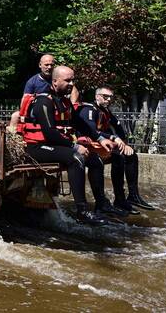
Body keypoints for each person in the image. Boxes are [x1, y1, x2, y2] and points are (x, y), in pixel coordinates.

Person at [20, 66, 125, 225]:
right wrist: (74, 145)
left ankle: (101, 204)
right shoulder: (43, 101)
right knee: (76, 158)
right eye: (67, 80)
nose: (71, 84)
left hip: (56, 146)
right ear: (55, 81)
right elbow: (49, 133)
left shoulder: (64, 101)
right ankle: (82, 211)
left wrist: (102, 138)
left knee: (95, 160)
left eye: (73, 80)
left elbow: (81, 125)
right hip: (37, 148)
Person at [74, 86, 155, 214]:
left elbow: (118, 127)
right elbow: (91, 130)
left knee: (130, 155)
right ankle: (101, 203)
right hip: (89, 147)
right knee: (110, 159)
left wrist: (123, 143)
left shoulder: (105, 111)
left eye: (111, 97)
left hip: (103, 146)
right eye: (105, 97)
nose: (109, 100)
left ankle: (129, 197)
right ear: (97, 96)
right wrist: (113, 138)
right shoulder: (89, 109)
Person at [10, 54, 78, 128]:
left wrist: (73, 105)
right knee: (15, 116)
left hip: (59, 107)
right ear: (40, 65)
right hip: (40, 109)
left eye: (52, 65)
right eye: (46, 65)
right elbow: (25, 99)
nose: (49, 67)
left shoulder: (60, 77)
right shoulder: (32, 82)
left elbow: (74, 90)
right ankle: (14, 137)